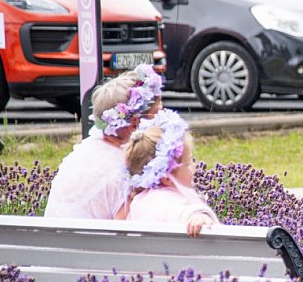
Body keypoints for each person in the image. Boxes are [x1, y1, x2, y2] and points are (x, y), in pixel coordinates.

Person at [44, 64, 163, 219]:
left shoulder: (86, 150)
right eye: (158, 116)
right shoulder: (125, 171)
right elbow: (128, 233)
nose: (163, 122)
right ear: (134, 124)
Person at [123, 109, 217, 237]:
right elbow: (183, 212)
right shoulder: (169, 202)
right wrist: (200, 216)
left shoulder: (139, 202)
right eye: (188, 164)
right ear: (167, 178)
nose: (193, 168)